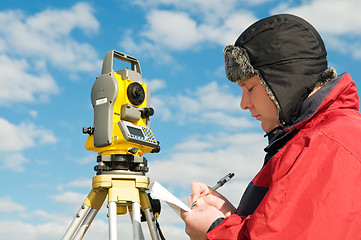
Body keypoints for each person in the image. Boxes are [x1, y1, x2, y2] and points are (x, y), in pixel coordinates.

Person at [181, 14, 361, 239]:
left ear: (284, 82)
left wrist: (214, 230)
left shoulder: (327, 142)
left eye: (250, 87)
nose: (243, 104)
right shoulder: (317, 137)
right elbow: (281, 229)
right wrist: (227, 216)